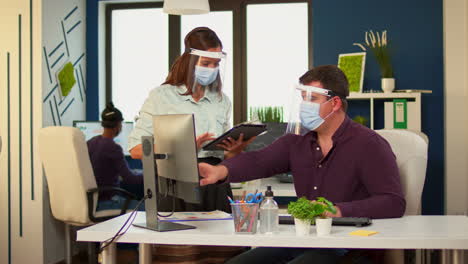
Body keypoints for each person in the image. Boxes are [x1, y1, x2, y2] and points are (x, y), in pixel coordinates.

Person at [199, 65, 406, 264]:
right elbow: (258, 161)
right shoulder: (298, 142)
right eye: (303, 98)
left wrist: (338, 210)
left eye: (312, 99)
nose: (304, 105)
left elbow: (393, 202)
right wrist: (220, 171)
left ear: (334, 103)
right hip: (305, 238)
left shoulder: (369, 144)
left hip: (349, 242)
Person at [128, 26, 253, 214]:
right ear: (190, 60)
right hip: (174, 183)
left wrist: (234, 151)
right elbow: (137, 149)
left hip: (214, 184)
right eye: (206, 63)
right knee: (178, 243)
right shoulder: (161, 97)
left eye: (216, 64)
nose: (212, 69)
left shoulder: (222, 100)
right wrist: (182, 148)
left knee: (221, 242)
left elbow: (225, 157)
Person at [87, 102, 143, 211]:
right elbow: (130, 179)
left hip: (93, 201)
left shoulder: (90, 142)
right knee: (148, 209)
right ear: (118, 125)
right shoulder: (113, 147)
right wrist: (151, 176)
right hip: (107, 201)